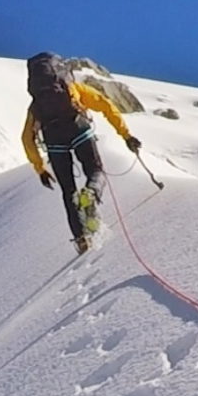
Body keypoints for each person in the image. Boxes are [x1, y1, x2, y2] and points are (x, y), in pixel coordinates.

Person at [21, 52, 141, 252]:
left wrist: (40, 168)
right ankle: (92, 193)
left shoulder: (36, 105)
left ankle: (81, 240)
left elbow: (26, 138)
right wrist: (126, 135)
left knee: (68, 191)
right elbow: (106, 105)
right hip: (79, 130)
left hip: (54, 142)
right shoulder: (73, 89)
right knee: (95, 171)